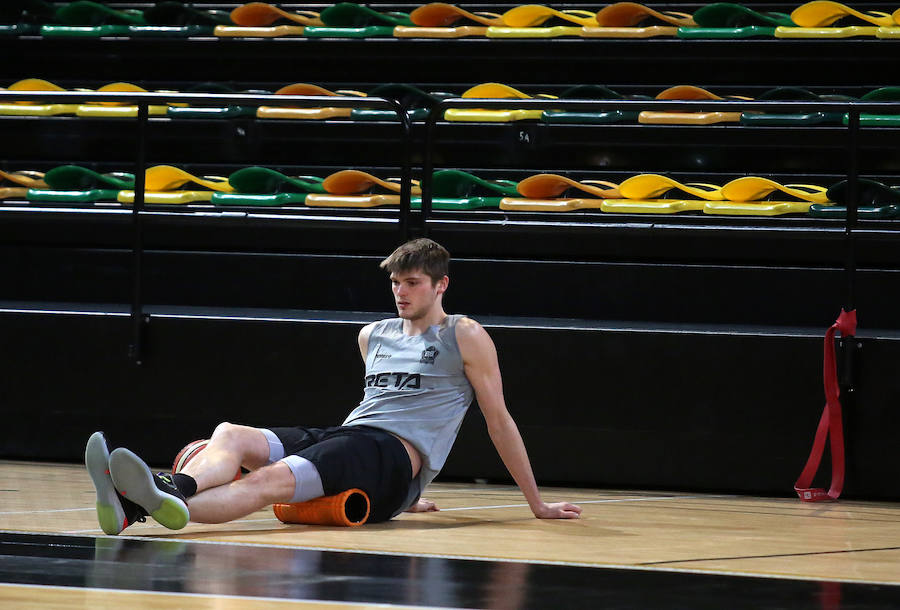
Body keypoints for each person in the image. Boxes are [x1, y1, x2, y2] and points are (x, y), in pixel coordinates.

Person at [85, 238, 582, 535]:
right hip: (352, 438)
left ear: (440, 285)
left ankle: (150, 502)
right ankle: (159, 495)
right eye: (395, 283)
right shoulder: (373, 334)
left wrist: (536, 503)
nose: (401, 292)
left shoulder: (464, 335)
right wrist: (410, 496)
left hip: (389, 455)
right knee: (229, 432)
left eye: (412, 283)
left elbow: (497, 421)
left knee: (266, 481)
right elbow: (378, 405)